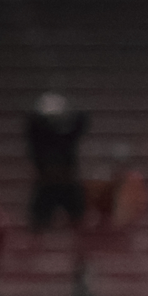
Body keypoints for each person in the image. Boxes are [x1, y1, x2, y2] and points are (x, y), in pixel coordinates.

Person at [26, 93, 91, 229]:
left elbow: (82, 122)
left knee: (79, 219)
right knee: (38, 220)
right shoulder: (39, 138)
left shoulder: (67, 137)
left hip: (67, 181)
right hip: (46, 182)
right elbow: (31, 126)